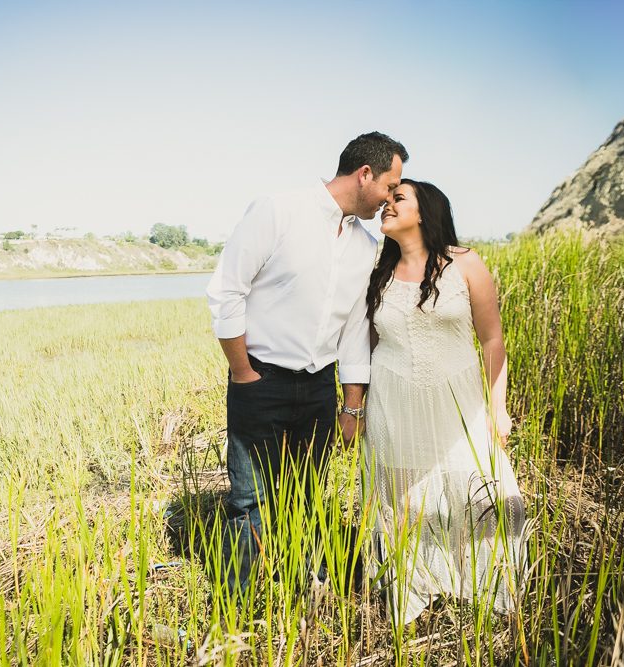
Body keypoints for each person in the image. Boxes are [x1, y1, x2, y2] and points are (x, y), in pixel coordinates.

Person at [206, 131, 409, 598]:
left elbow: (355, 327)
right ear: (364, 174)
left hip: (320, 387)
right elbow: (226, 291)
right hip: (261, 379)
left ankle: (302, 591)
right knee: (248, 500)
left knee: (305, 496)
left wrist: (352, 404)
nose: (389, 198)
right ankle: (233, 606)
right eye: (388, 186)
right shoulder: (277, 211)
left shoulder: (363, 244)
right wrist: (243, 373)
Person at [364, 179, 527, 626]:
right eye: (387, 199)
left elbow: (492, 338)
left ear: (425, 212)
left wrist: (497, 408)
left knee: (482, 490)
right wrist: (354, 405)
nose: (386, 205)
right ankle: (414, 588)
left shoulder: (466, 264)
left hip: (459, 401)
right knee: (402, 502)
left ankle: (484, 583)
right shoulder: (377, 273)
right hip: (393, 400)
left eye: (398, 199)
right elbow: (369, 344)